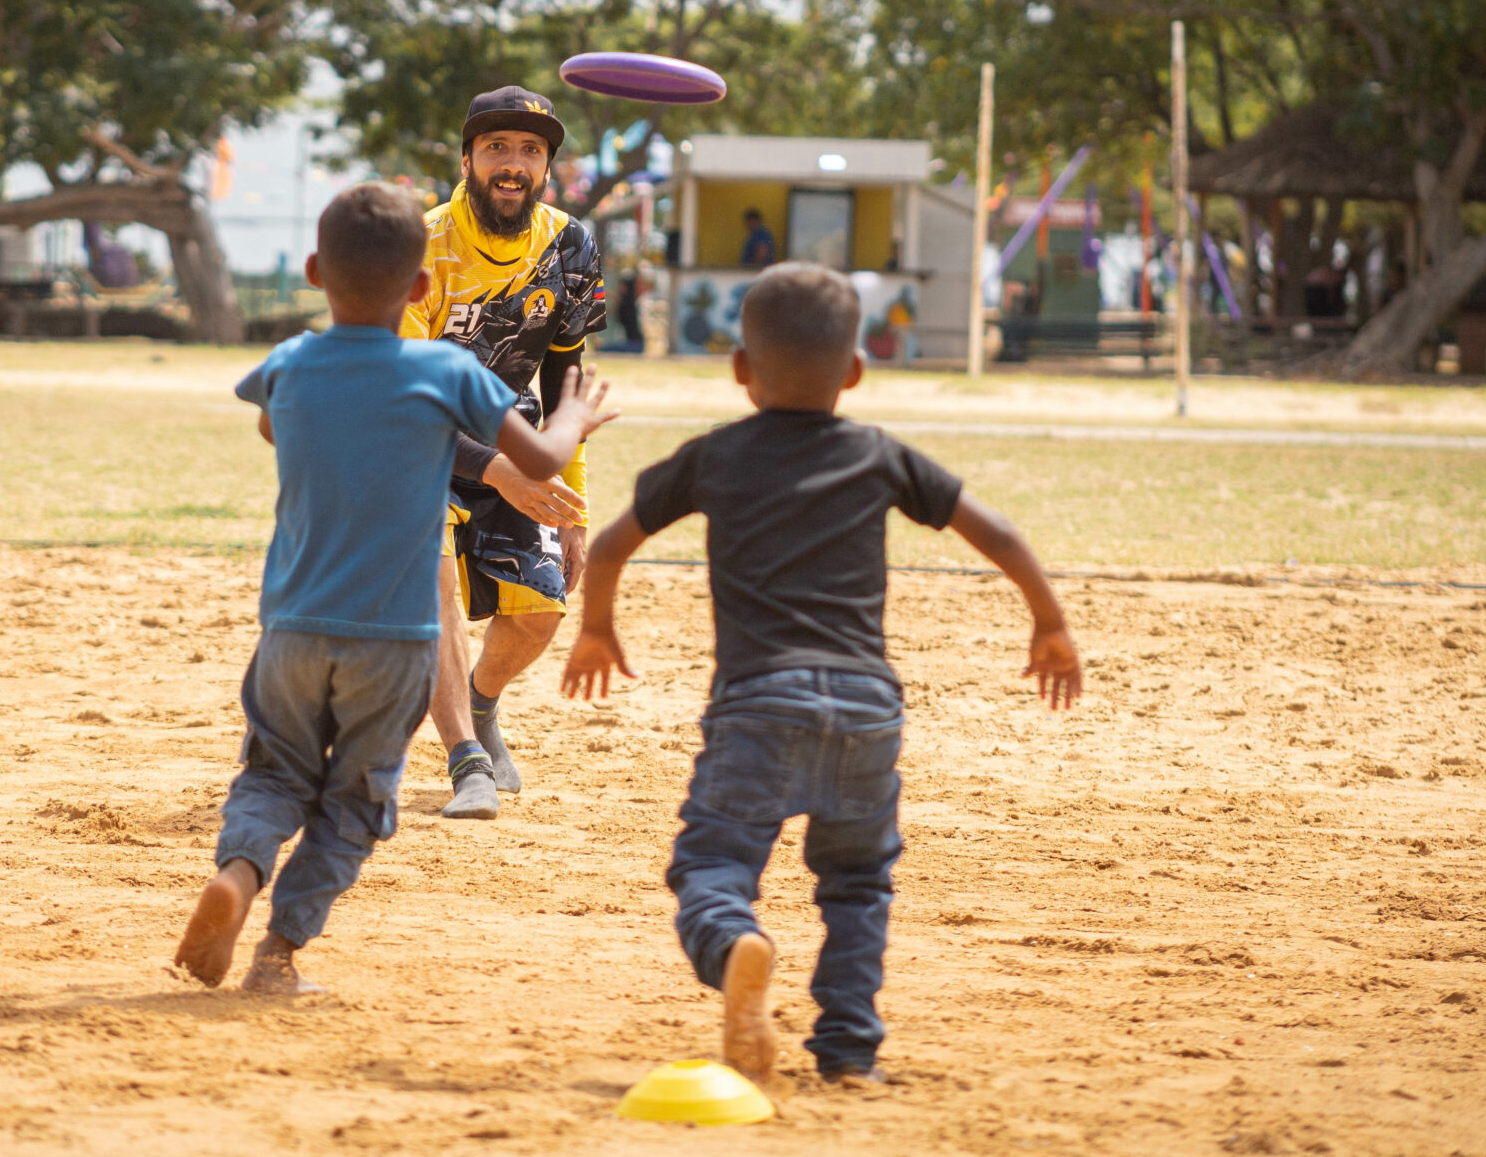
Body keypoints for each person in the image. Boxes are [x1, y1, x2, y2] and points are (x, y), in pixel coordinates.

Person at [562, 262, 1083, 1086]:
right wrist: (1049, 624)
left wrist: (596, 629)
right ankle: (847, 1053)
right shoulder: (879, 455)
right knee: (858, 882)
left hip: (757, 704)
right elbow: (1003, 535)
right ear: (855, 371)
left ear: (740, 369)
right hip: (868, 709)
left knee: (713, 866)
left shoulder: (712, 458)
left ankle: (735, 939)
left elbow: (614, 542)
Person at [172, 181, 619, 995]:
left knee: (273, 775)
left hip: (294, 628)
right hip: (394, 640)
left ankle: (236, 876)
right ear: (419, 288)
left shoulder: (290, 364)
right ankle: (277, 954)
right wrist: (576, 419)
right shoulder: (446, 371)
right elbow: (543, 461)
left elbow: (271, 421)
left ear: (314, 269)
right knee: (354, 802)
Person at [401, 87, 607, 820]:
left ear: (547, 167)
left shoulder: (569, 245)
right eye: (497, 148)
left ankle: (481, 704)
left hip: (515, 436)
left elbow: (565, 375)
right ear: (466, 160)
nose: (513, 164)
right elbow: (405, 401)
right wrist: (501, 474)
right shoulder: (418, 246)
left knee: (543, 610)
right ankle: (467, 761)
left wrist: (568, 499)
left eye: (530, 151)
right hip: (416, 447)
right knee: (433, 586)